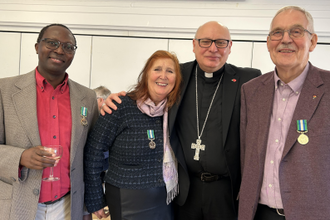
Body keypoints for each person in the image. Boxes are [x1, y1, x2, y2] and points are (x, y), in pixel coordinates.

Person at [102, 21, 261, 219]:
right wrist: (111, 100)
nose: (213, 48)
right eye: (205, 42)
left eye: (221, 42)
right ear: (194, 45)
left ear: (230, 47)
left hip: (225, 193)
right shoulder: (178, 74)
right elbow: (149, 94)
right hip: (185, 190)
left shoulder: (249, 79)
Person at [0, 24, 99, 220]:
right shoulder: (5, 90)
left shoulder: (87, 97)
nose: (60, 50)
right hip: (17, 205)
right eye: (52, 43)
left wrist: (87, 207)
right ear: (37, 47)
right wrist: (19, 157)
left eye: (68, 46)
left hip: (69, 207)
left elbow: (91, 157)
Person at [239, 6, 327, 220]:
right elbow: (245, 154)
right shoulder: (250, 91)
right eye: (277, 33)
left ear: (313, 41)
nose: (285, 39)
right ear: (269, 43)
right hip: (257, 213)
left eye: (296, 31)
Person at [84, 50, 182, 220]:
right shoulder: (120, 106)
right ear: (146, 75)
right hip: (126, 198)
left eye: (170, 71)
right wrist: (96, 199)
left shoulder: (175, 110)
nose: (163, 76)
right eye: (157, 69)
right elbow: (93, 151)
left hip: (166, 199)